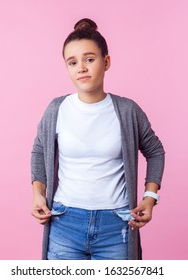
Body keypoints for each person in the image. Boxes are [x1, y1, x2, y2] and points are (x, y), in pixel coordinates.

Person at [30, 18, 165, 260]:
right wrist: (38, 193)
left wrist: (150, 197)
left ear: (106, 62)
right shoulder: (56, 109)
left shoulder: (127, 110)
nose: (81, 68)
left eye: (89, 59)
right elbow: (39, 151)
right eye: (72, 62)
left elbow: (155, 151)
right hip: (65, 223)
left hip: (116, 226)